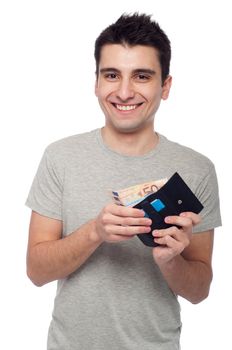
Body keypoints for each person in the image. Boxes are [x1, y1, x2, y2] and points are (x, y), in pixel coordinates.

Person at [26, 13, 221, 350]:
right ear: (96, 83)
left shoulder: (197, 168)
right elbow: (36, 272)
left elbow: (200, 291)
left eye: (142, 76)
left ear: (166, 86)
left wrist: (171, 260)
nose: (125, 91)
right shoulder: (59, 157)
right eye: (112, 75)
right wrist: (94, 233)